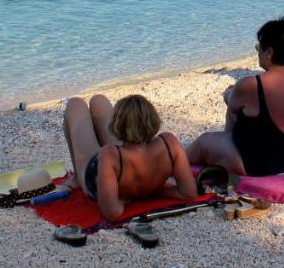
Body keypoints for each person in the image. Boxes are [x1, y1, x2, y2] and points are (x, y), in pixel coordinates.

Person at [187, 17, 284, 176]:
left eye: (259, 47)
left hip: (265, 163)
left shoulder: (252, 85)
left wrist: (229, 94)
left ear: (269, 52)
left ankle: (179, 158)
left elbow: (233, 107)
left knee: (204, 142)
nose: (258, 51)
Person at [62, 94, 197, 221]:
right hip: (122, 163)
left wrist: (123, 200)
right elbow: (188, 193)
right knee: (99, 100)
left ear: (116, 125)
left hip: (110, 167)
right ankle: (77, 177)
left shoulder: (109, 154)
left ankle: (77, 178)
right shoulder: (169, 143)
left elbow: (111, 212)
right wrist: (155, 192)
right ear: (154, 119)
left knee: (75, 104)